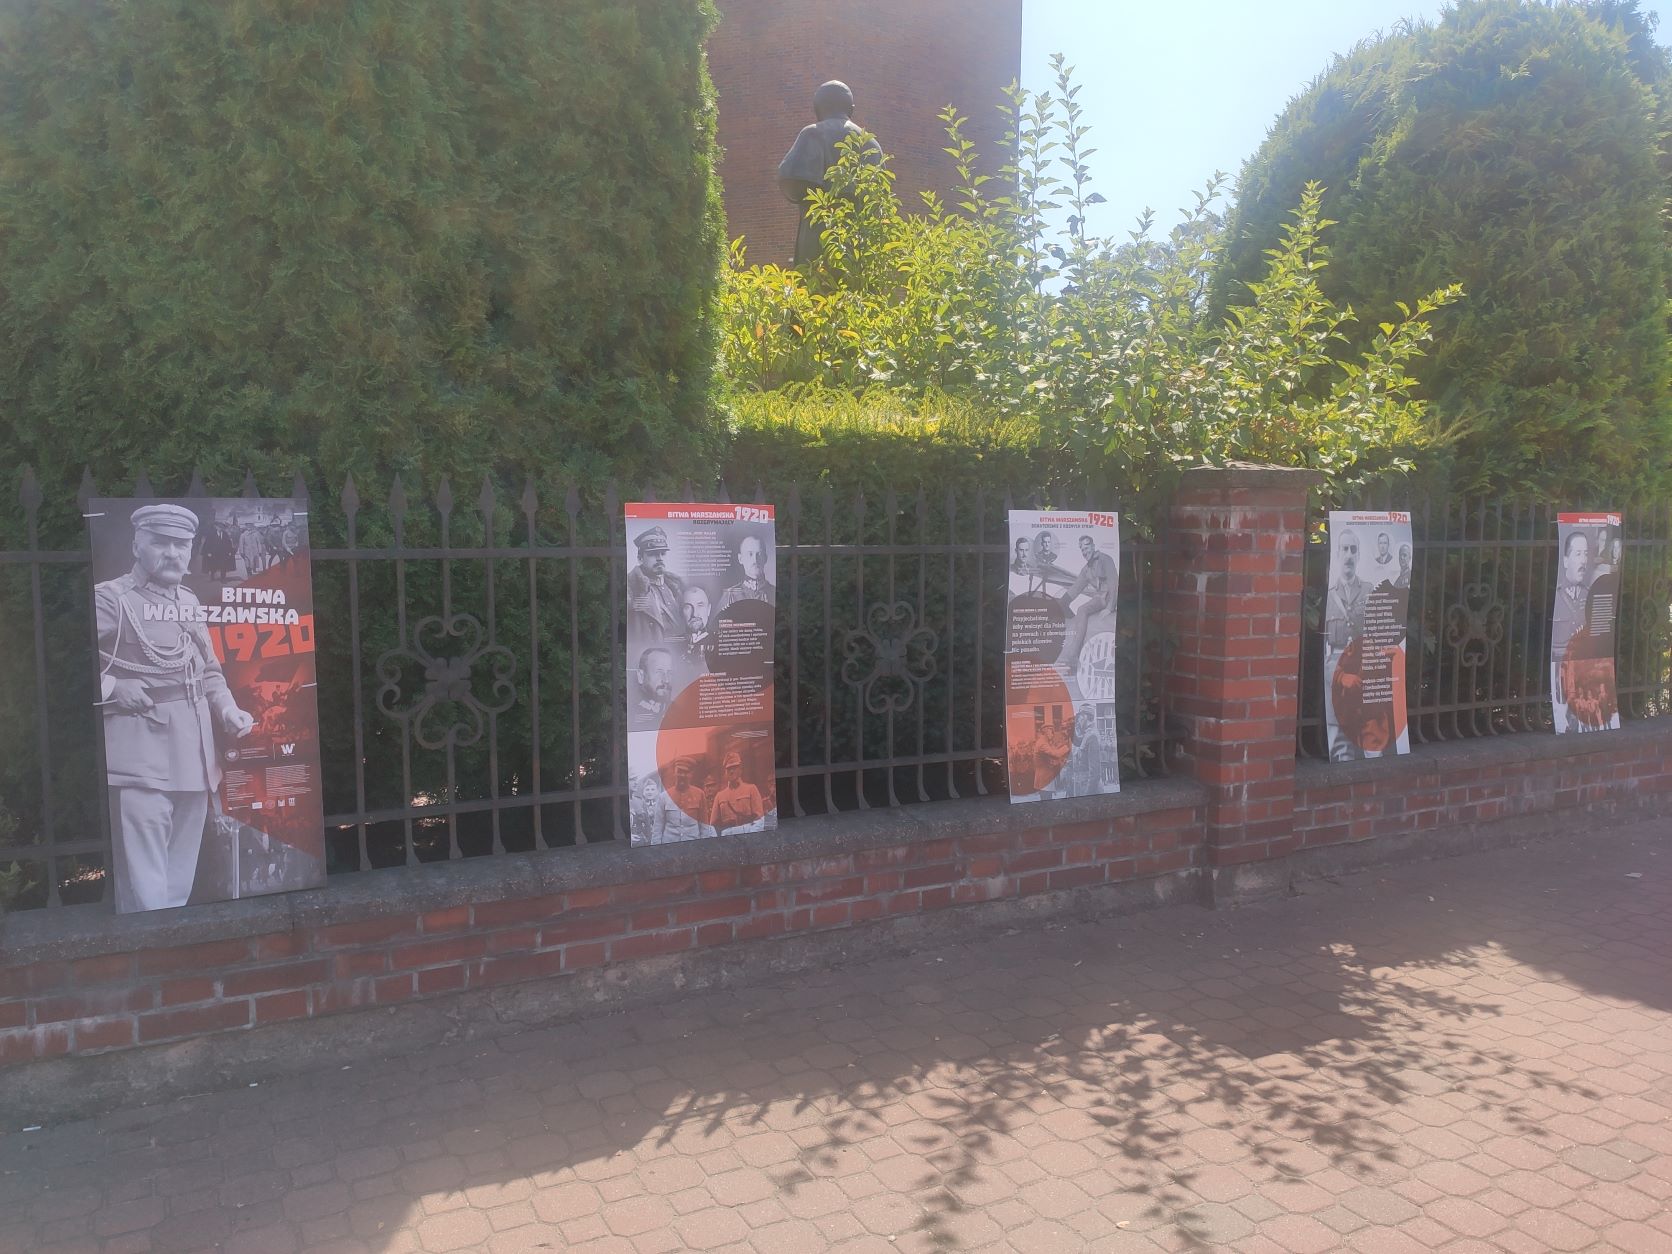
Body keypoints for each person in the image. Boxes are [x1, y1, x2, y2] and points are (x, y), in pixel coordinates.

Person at [96, 505, 255, 913]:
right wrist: (113, 687)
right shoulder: (111, 599)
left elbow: (209, 671)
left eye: (181, 545)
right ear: (137, 545)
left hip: (194, 755)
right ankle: (150, 942)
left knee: (179, 875)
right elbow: (69, 668)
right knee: (146, 883)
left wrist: (228, 710)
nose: (172, 553)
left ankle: (174, 941)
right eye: (161, 543)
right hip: (143, 757)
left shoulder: (188, 600)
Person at [777, 80, 884, 266]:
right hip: (862, 245)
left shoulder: (813, 133)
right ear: (851, 109)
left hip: (820, 239)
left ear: (817, 109)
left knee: (816, 283)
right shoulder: (872, 145)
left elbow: (789, 180)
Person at [1324, 528, 1369, 761]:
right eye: (1345, 549)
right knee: (1340, 748)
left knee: (1373, 746)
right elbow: (1325, 651)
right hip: (1337, 681)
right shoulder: (1329, 595)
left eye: (1353, 549)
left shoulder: (1370, 591)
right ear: (1338, 554)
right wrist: (1341, 677)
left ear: (1359, 555)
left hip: (1365, 678)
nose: (1349, 555)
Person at [1059, 533, 1119, 672]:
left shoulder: (1105, 559)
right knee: (1078, 610)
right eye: (1082, 550)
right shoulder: (1086, 570)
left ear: (1093, 546)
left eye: (1086, 547)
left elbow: (1113, 582)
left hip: (1105, 598)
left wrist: (1110, 607)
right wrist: (1062, 603)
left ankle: (1073, 655)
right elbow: (1075, 588)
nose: (1085, 552)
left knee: (1082, 610)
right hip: (1098, 598)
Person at [1552, 529, 1590, 732]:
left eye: (1585, 554)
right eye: (1578, 554)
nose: (1583, 560)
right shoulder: (1557, 595)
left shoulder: (1588, 594)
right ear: (1565, 561)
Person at [627, 526, 685, 642]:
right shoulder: (631, 587)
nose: (659, 558)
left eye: (663, 553)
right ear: (640, 558)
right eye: (653, 554)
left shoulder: (676, 586)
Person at [708, 751, 766, 836]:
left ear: (740, 769)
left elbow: (759, 819)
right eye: (728, 769)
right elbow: (713, 825)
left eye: (734, 767)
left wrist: (753, 836)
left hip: (748, 832)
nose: (731, 771)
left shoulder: (751, 789)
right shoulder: (719, 796)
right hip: (727, 836)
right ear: (725, 772)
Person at [652, 758, 707, 843]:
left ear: (691, 774)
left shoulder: (699, 794)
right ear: (674, 772)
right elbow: (658, 827)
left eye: (686, 772)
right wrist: (656, 847)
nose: (682, 775)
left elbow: (704, 826)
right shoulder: (664, 797)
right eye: (679, 772)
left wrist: (704, 845)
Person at [717, 534, 775, 611]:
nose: (755, 560)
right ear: (740, 559)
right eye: (750, 554)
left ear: (765, 558)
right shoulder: (730, 595)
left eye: (759, 554)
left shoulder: (774, 592)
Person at [629, 646, 676, 730]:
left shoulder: (681, 712)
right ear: (641, 676)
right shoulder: (630, 714)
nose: (666, 680)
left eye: (669, 673)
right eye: (659, 672)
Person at [1068, 707, 1105, 796]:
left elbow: (1095, 773)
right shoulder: (1087, 734)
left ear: (1085, 717)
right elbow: (1078, 741)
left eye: (1080, 717)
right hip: (1082, 785)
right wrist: (1071, 729)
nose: (1078, 721)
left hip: (1089, 788)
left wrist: (1088, 793)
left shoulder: (1092, 736)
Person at [679, 586, 715, 671]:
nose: (695, 614)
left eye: (700, 605)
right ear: (681, 612)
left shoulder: (720, 642)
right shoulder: (673, 645)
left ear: (709, 610)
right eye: (688, 607)